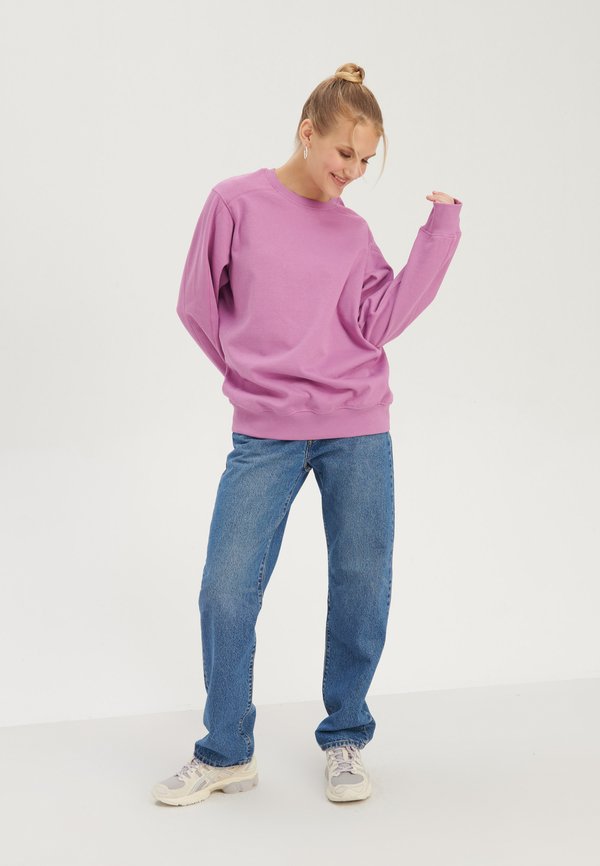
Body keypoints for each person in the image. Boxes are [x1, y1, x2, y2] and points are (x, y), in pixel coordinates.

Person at [152, 61, 462, 806]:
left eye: (365, 160)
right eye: (344, 152)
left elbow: (381, 320)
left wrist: (440, 232)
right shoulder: (235, 202)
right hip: (266, 434)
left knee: (361, 583)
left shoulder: (353, 233)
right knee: (226, 588)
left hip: (358, 427)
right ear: (307, 131)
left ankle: (346, 735)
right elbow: (196, 304)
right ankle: (226, 750)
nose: (352, 170)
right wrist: (254, 379)